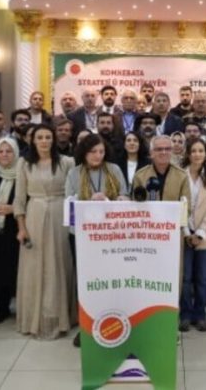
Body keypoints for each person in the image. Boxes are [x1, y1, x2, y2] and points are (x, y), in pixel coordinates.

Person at [14, 124, 77, 339]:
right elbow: (19, 198)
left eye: (48, 137)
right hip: (34, 214)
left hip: (61, 216)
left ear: (53, 139)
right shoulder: (24, 163)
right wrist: (21, 228)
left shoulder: (67, 162)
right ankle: (35, 318)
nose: (44, 141)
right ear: (32, 140)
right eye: (39, 137)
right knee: (35, 267)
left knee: (60, 264)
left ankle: (62, 317)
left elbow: (73, 194)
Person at [65, 134, 128, 346]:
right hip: (82, 237)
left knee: (110, 281)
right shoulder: (74, 173)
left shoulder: (114, 169)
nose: (97, 155)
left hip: (111, 236)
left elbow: (125, 196)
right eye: (93, 151)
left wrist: (118, 199)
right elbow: (69, 204)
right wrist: (89, 201)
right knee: (85, 282)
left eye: (101, 151)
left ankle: (114, 324)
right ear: (84, 152)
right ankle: (86, 327)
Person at [179, 139, 206, 333]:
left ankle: (200, 314)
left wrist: (200, 233)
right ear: (188, 153)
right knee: (185, 278)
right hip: (184, 235)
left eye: (200, 151)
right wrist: (187, 232)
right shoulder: (180, 175)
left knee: (203, 278)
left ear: (205, 154)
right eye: (193, 151)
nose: (197, 154)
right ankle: (185, 314)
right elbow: (179, 206)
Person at [0, 138, 21, 324]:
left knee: (19, 271)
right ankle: (2, 307)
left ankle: (23, 308)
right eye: (0, 151)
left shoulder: (23, 174)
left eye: (9, 151)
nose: (4, 155)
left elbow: (31, 200)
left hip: (18, 230)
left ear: (16, 153)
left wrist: (13, 209)